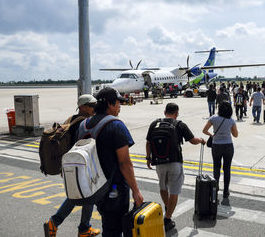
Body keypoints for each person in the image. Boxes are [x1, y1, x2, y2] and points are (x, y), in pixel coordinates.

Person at [81, 87, 144, 237]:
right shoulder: (116, 125)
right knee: (115, 230)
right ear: (110, 104)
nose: (120, 106)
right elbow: (125, 163)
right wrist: (136, 191)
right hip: (115, 189)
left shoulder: (84, 125)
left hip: (95, 188)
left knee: (108, 225)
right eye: (118, 102)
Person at [44, 94, 100, 237]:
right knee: (84, 194)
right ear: (82, 107)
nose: (95, 107)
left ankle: (82, 227)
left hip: (71, 164)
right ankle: (57, 222)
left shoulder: (71, 119)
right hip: (80, 165)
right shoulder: (83, 123)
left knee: (82, 194)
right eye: (92, 105)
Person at [146, 103, 205, 232]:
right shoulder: (179, 124)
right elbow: (192, 140)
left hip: (159, 163)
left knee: (163, 187)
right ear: (176, 113)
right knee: (174, 190)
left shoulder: (154, 124)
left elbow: (148, 142)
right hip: (174, 162)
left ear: (164, 111)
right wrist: (201, 140)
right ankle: (168, 218)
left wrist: (148, 158)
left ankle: (168, 207)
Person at [202, 101, 238, 198]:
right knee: (227, 169)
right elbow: (236, 135)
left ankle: (215, 188)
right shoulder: (231, 121)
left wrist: (211, 135)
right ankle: (226, 191)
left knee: (216, 167)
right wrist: (229, 130)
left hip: (216, 146)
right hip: (228, 146)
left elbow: (204, 130)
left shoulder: (213, 118)